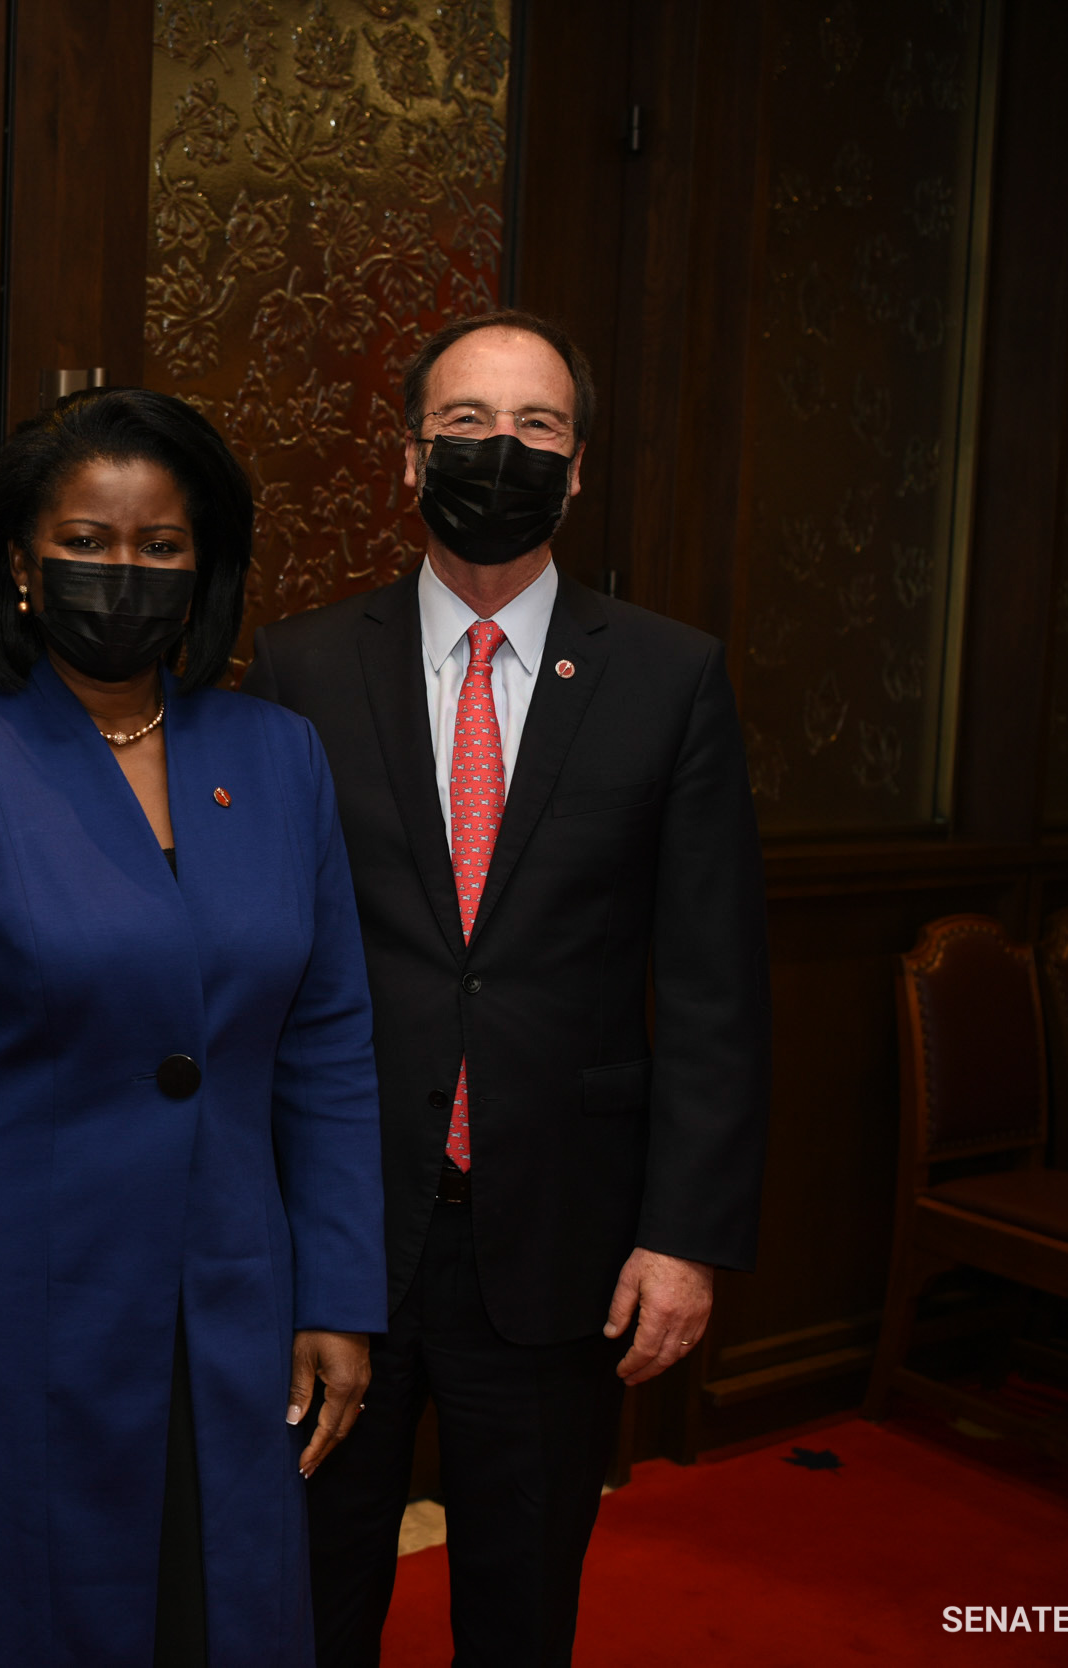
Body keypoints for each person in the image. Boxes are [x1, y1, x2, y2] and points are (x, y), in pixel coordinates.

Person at [0, 387, 386, 1667]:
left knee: (211, 1618)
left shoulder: (282, 757)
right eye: (84, 541)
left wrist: (340, 1295)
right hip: (7, 1323)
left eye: (158, 545)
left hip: (233, 1313)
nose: (121, 571)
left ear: (203, 572)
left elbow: (330, 1051)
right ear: (21, 568)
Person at [244, 310, 770, 1668]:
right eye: (465, 423)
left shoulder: (669, 676)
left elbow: (712, 981)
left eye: (536, 426)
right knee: (307, 1597)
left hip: (558, 1243)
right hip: (339, 1235)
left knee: (522, 1606)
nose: (501, 449)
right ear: (409, 457)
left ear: (577, 466)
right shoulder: (303, 667)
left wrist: (685, 1235)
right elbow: (258, 962)